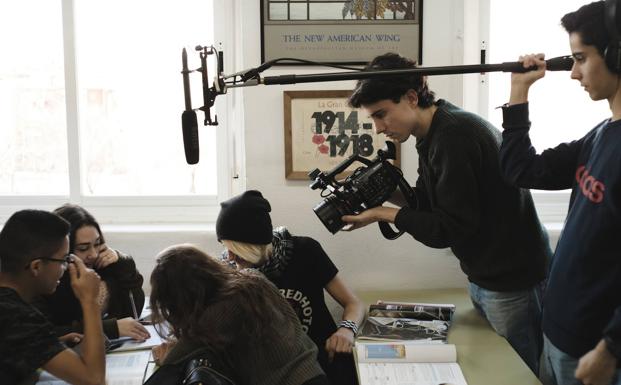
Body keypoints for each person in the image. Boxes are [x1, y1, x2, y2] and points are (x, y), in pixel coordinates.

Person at [343, 52, 552, 374]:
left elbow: (450, 229)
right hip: (488, 275)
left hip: (512, 280)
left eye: (382, 114)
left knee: (516, 374)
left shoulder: (454, 135)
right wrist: (381, 189)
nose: (379, 127)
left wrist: (382, 213)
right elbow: (428, 205)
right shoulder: (432, 134)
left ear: (411, 98)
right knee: (499, 369)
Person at [499, 2, 621, 384]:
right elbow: (521, 169)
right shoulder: (602, 134)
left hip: (593, 348)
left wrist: (611, 348)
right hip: (557, 333)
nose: (573, 74)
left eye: (581, 58)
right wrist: (519, 89)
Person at [215, 190, 365, 385]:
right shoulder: (228, 271)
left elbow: (354, 303)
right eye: (226, 248)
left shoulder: (305, 251)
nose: (230, 258)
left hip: (322, 361)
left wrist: (347, 330)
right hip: (272, 372)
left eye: (236, 250)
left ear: (257, 244)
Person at [147, 244, 328, 385]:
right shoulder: (253, 278)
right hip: (314, 373)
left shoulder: (222, 310)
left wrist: (165, 360)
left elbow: (174, 359)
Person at [0, 209, 105, 385]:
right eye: (63, 260)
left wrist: (49, 346)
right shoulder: (14, 314)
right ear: (36, 267)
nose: (65, 267)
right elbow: (95, 380)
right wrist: (90, 301)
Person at [35, 204, 149, 341]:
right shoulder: (48, 281)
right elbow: (46, 332)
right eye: (83, 248)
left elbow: (133, 310)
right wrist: (111, 328)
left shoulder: (103, 265)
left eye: (97, 243)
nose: (93, 254)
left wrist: (123, 262)